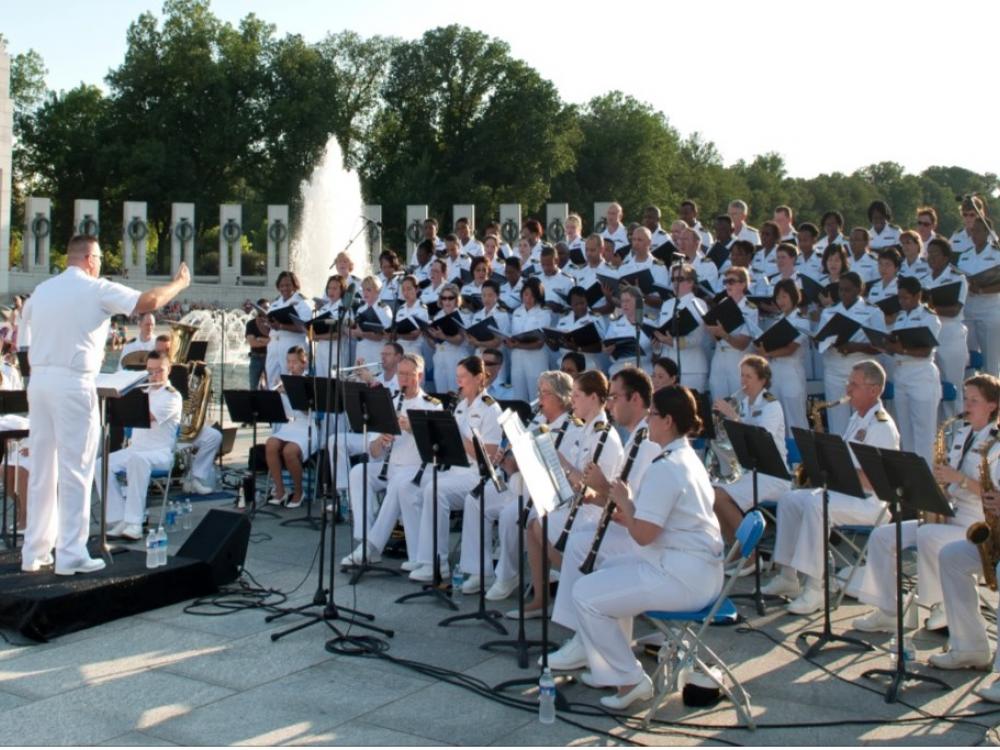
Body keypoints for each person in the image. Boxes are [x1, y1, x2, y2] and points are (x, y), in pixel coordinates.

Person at [21, 235, 190, 575]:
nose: (101, 265)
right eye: (99, 258)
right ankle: (70, 554)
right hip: (73, 381)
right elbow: (148, 301)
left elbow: (24, 343)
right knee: (76, 468)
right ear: (90, 258)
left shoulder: (41, 291)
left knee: (43, 468)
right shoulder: (95, 289)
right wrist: (179, 283)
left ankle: (34, 552)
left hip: (38, 382)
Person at [570, 385, 724, 710]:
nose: (648, 421)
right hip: (695, 571)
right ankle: (611, 667)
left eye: (652, 415)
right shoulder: (685, 456)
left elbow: (642, 535)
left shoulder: (667, 467)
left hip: (680, 577)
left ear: (667, 420)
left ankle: (630, 678)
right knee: (605, 570)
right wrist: (618, 499)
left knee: (584, 593)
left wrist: (623, 501)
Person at [853, 374, 1000, 643]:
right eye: (965, 398)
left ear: (992, 405)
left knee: (927, 536)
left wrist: (961, 480)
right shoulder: (961, 433)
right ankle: (888, 610)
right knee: (883, 536)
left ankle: (940, 605)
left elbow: (994, 494)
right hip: (949, 514)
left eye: (975, 400)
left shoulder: (996, 442)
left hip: (976, 524)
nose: (967, 405)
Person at [763, 360, 900, 615]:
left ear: (874, 390)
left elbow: (877, 481)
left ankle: (817, 587)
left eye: (854, 384)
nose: (848, 389)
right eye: (849, 382)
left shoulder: (881, 426)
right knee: (790, 499)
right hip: (845, 493)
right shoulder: (857, 419)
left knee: (817, 504)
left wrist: (835, 470)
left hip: (870, 502)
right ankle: (788, 575)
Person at [340, 353, 442, 569]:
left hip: (417, 469)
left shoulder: (433, 405)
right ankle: (364, 538)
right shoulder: (391, 401)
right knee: (358, 472)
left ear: (420, 376)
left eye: (408, 374)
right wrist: (381, 441)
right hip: (391, 466)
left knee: (398, 485)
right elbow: (375, 452)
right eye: (400, 374)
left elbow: (437, 447)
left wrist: (412, 429)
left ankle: (370, 547)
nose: (403, 379)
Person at [407, 356, 503, 582]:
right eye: (457, 377)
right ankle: (425, 556)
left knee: (435, 489)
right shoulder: (461, 406)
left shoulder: (491, 409)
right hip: (455, 469)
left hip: (477, 474)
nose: (458, 382)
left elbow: (487, 457)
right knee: (418, 486)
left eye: (463, 378)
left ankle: (437, 563)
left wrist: (456, 435)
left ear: (479, 378)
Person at [104, 350, 183, 540]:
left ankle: (135, 523)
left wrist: (123, 400)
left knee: (137, 461)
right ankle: (120, 518)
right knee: (102, 465)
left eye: (159, 371)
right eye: (150, 371)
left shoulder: (172, 396)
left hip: (161, 453)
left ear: (169, 369)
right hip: (136, 450)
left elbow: (145, 416)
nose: (154, 376)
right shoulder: (142, 392)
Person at [871, 276, 941, 465]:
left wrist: (901, 349)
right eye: (900, 298)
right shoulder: (901, 317)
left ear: (918, 295)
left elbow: (926, 350)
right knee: (906, 431)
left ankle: (927, 478)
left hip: (921, 374)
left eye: (906, 298)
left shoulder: (929, 317)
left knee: (924, 432)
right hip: (901, 372)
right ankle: (912, 475)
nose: (902, 302)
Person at [817, 272, 886, 436]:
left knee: (862, 421)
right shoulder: (829, 312)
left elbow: (881, 346)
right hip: (835, 370)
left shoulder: (872, 311)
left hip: (861, 373)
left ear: (859, 290)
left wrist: (855, 347)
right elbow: (820, 340)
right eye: (840, 290)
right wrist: (825, 341)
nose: (843, 294)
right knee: (837, 423)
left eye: (847, 290)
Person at [265, 346, 321, 509]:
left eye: (294, 362)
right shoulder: (285, 380)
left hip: (308, 426)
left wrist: (289, 392)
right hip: (291, 424)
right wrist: (275, 395)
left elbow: (310, 411)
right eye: (288, 362)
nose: (291, 366)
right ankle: (280, 491)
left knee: (289, 451)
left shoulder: (310, 382)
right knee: (271, 444)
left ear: (304, 364)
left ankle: (299, 491)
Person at [759, 279, 810, 433]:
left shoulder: (801, 320)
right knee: (777, 420)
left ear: (794, 296)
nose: (781, 301)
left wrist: (767, 353)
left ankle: (800, 457)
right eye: (778, 297)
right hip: (776, 373)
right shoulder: (777, 320)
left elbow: (791, 349)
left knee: (796, 421)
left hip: (791, 373)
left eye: (784, 296)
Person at [924, 238, 969, 418]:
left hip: (951, 335)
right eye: (929, 253)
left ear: (945, 257)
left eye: (935, 253)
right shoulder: (923, 280)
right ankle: (939, 440)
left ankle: (955, 435)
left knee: (953, 389)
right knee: (934, 390)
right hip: (930, 333)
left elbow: (954, 310)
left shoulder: (958, 278)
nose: (931, 257)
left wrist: (930, 307)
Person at [652, 264, 709, 391]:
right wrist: (657, 346)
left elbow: (697, 338)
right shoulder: (667, 304)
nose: (675, 283)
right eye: (673, 279)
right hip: (667, 368)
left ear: (691, 282)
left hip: (691, 368)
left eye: (679, 279)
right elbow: (662, 331)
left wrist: (671, 342)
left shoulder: (698, 303)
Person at [706, 267, 760, 400]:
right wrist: (713, 331)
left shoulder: (750, 309)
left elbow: (743, 343)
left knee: (739, 404)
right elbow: (715, 339)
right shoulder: (721, 305)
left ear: (743, 284)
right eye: (725, 281)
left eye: (732, 281)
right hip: (719, 357)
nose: (727, 285)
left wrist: (723, 334)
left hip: (738, 360)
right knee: (718, 404)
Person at [956, 217, 1000, 376]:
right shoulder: (965, 256)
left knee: (991, 364)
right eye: (973, 231)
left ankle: (994, 399)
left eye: (978, 231)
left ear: (988, 233)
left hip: (990, 312)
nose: (974, 234)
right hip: (968, 311)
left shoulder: (996, 254)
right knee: (969, 361)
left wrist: (981, 289)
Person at [505, 277, 551, 401]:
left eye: (532, 295)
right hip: (517, 360)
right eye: (526, 294)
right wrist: (509, 342)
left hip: (535, 361)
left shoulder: (544, 313)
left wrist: (517, 345)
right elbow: (513, 335)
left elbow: (539, 343)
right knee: (519, 398)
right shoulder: (517, 312)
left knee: (536, 397)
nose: (528, 299)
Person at [265, 271, 311, 389]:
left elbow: (305, 327)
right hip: (274, 345)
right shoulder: (275, 304)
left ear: (295, 285)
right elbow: (269, 329)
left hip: (292, 345)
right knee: (272, 381)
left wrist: (281, 326)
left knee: (291, 381)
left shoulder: (302, 304)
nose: (284, 288)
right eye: (281, 286)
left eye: (288, 285)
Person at [424, 282, 470, 393]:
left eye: (451, 298)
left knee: (455, 393)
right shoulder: (438, 316)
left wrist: (443, 336)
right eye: (444, 298)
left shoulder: (463, 315)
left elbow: (460, 340)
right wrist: (427, 335)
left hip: (456, 357)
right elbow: (435, 345)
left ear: (456, 299)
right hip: (440, 356)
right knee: (441, 392)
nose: (447, 301)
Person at [604, 286, 653, 376]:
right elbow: (607, 350)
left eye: (628, 301)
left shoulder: (650, 324)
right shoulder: (615, 324)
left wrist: (657, 349)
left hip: (644, 372)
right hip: (619, 372)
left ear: (639, 302)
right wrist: (608, 351)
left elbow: (657, 353)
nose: (624, 304)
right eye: (622, 301)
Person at [350, 276, 392, 368]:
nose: (365, 293)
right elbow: (356, 332)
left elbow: (385, 335)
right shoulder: (361, 309)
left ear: (377, 291)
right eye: (363, 289)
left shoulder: (384, 309)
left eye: (368, 290)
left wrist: (362, 334)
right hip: (361, 351)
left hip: (375, 353)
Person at [245, 300, 270, 389]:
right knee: (253, 386)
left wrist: (260, 339)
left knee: (271, 387)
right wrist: (269, 341)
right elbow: (253, 343)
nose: (266, 310)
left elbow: (276, 341)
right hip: (255, 358)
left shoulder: (272, 324)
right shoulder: (251, 324)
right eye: (263, 308)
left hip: (270, 358)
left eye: (267, 308)